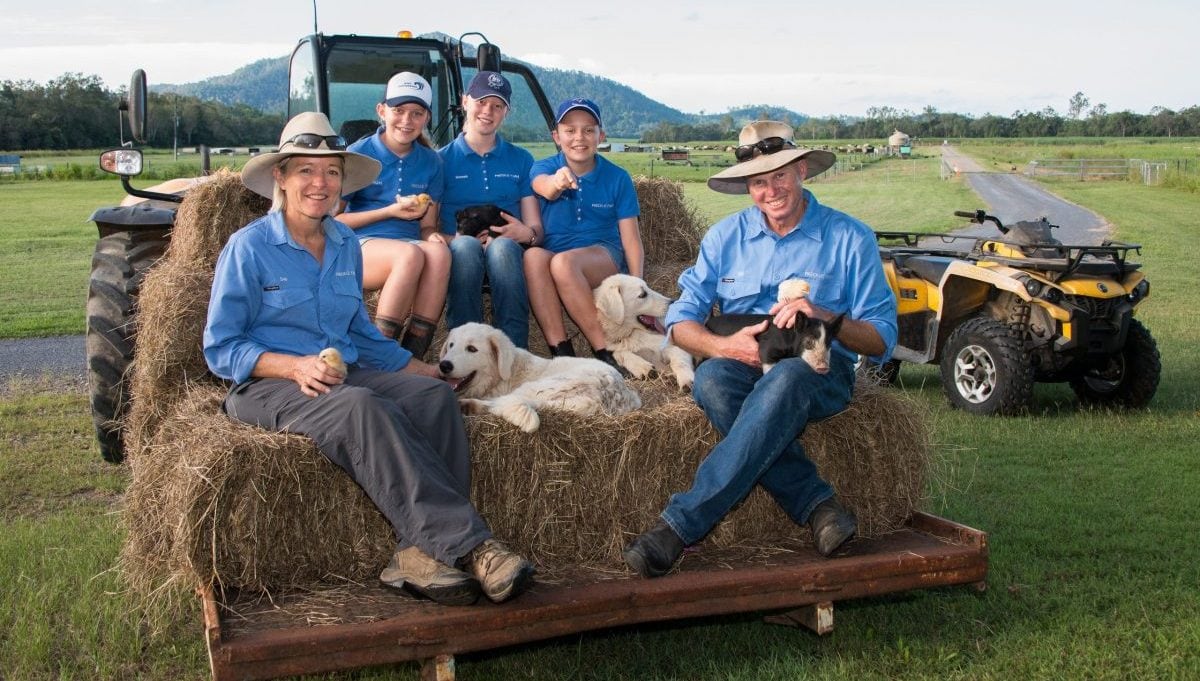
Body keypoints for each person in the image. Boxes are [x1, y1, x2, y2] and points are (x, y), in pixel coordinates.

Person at [204, 112, 535, 606]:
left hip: (343, 371)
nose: (320, 183)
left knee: (430, 398)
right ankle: (475, 548)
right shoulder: (248, 248)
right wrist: (294, 366)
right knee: (360, 406)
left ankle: (415, 556)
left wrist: (426, 370)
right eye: (306, 171)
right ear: (281, 177)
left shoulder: (343, 243)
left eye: (331, 172)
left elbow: (362, 330)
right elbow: (220, 347)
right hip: (269, 384)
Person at [622, 121, 898, 578]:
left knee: (789, 378)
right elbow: (678, 319)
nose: (771, 191)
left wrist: (826, 315)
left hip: (820, 368)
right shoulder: (724, 238)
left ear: (801, 171)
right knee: (710, 380)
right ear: (747, 186)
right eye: (758, 181)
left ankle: (680, 525)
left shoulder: (850, 238)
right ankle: (816, 504)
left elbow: (883, 339)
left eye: (780, 176)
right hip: (744, 360)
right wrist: (720, 345)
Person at [526, 97, 642, 374]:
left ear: (601, 136)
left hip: (602, 255)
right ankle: (561, 352)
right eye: (570, 130)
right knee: (532, 257)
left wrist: (637, 286)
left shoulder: (617, 177)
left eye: (588, 130)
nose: (579, 137)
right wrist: (557, 182)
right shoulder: (543, 167)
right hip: (555, 253)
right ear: (556, 136)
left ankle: (608, 351)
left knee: (563, 264)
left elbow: (631, 238)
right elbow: (542, 186)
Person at [338, 72, 449, 359]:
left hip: (410, 245)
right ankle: (378, 356)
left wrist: (431, 234)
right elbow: (333, 222)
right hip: (360, 244)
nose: (406, 120)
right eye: (398, 111)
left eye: (416, 113)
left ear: (426, 118)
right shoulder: (358, 154)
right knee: (409, 256)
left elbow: (426, 226)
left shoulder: (432, 162)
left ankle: (413, 355)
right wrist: (389, 211)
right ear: (382, 111)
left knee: (439, 254)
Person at [440, 71, 541, 348]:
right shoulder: (440, 161)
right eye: (481, 101)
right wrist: (456, 240)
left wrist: (527, 234)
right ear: (465, 102)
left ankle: (514, 352)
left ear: (506, 112)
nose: (488, 111)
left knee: (503, 247)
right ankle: (461, 350)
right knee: (465, 249)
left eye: (497, 105)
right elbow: (426, 229)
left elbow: (536, 229)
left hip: (507, 254)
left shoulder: (521, 159)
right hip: (460, 254)